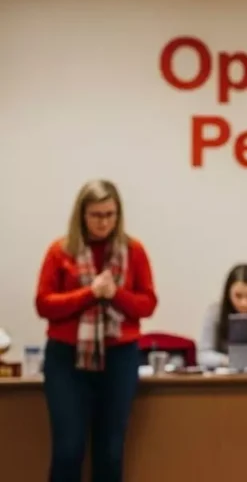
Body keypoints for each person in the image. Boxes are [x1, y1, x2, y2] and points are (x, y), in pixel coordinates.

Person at [35, 179, 158, 482]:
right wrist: (91, 293)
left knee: (111, 452)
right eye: (96, 215)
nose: (103, 222)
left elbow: (147, 304)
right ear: (82, 215)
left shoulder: (134, 251)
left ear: (118, 215)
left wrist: (114, 293)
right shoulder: (60, 251)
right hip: (67, 358)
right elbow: (44, 305)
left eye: (110, 214)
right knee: (68, 449)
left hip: (120, 357)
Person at [197, 263, 247, 368]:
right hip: (224, 379)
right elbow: (203, 356)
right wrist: (230, 361)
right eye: (238, 296)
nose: (244, 303)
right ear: (228, 293)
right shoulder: (215, 313)